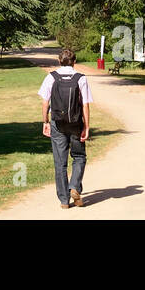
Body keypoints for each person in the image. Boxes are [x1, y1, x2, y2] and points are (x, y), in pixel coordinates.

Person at [39, 46, 92, 209]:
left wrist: (45, 122)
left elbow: (45, 102)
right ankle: (74, 186)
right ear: (74, 62)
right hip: (76, 124)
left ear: (59, 61)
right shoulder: (81, 78)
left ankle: (64, 200)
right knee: (79, 157)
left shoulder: (51, 77)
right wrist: (87, 126)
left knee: (60, 162)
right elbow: (85, 105)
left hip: (57, 124)